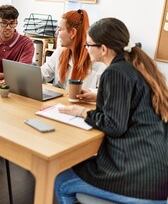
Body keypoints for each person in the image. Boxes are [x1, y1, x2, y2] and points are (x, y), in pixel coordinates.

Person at [55, 17, 168, 203]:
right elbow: (136, 100)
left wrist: (82, 112)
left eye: (88, 45)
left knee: (61, 179)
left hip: (135, 177)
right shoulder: (138, 66)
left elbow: (114, 126)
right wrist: (100, 96)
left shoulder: (114, 72)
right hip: (158, 176)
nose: (86, 49)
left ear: (104, 49)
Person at [40, 9, 106, 98]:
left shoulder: (97, 59)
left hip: (82, 107)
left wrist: (91, 92)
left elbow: (107, 93)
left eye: (60, 29)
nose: (56, 32)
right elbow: (42, 74)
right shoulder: (60, 52)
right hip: (59, 104)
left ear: (72, 32)